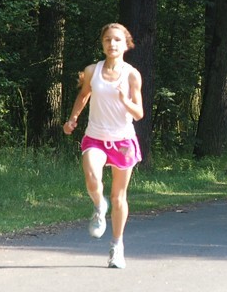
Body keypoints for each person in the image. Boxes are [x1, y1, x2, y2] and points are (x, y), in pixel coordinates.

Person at [63, 23, 144, 269]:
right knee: (91, 178)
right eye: (108, 39)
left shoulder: (132, 75)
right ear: (102, 43)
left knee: (119, 196)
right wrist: (73, 118)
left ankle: (117, 247)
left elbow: (139, 113)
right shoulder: (92, 70)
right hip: (95, 137)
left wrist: (123, 99)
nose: (112, 44)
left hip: (122, 141)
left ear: (125, 44)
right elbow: (84, 94)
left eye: (117, 40)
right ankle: (99, 207)